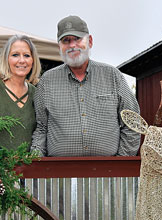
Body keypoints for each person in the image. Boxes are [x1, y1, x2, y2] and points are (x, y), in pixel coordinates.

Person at [31, 15, 141, 157]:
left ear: (89, 41)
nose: (72, 45)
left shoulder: (112, 75)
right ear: (59, 46)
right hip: (59, 174)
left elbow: (133, 123)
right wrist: (37, 165)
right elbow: (41, 127)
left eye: (77, 39)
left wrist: (120, 162)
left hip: (108, 173)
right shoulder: (47, 81)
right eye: (66, 41)